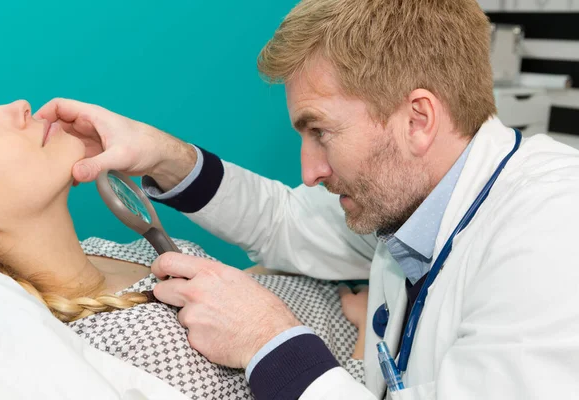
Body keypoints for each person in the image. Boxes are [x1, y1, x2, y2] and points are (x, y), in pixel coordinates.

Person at [36, 0, 579, 398]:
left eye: (321, 132)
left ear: (418, 119)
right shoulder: (420, 198)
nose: (309, 171)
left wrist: (267, 342)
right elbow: (284, 222)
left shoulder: (554, 231)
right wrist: (161, 155)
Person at [0, 101, 367, 399]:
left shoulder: (97, 251)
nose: (18, 105)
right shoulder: (126, 348)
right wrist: (371, 333)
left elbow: (238, 283)